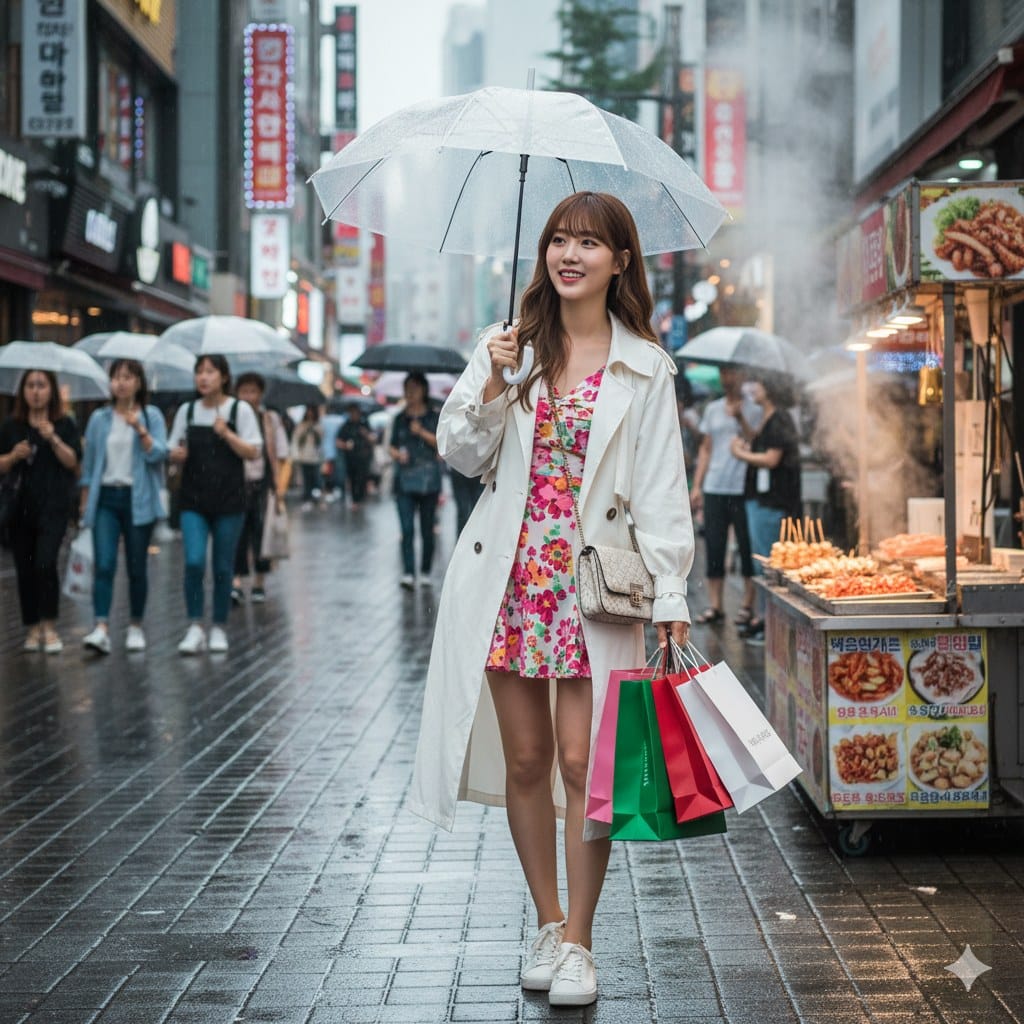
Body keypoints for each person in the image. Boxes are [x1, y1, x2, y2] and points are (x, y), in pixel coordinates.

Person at [408, 192, 694, 1008]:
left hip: (597, 589)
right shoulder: (509, 348)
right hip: (511, 580)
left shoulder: (645, 366)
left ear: (621, 261)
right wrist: (493, 382)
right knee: (529, 762)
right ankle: (545, 918)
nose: (570, 255)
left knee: (585, 766)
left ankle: (580, 942)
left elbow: (661, 493)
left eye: (589, 244)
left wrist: (671, 591)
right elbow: (462, 455)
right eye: (559, 241)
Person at [168, 354, 262, 654]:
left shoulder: (239, 409)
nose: (203, 377)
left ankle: (219, 626)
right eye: (199, 372)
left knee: (223, 566)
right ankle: (195, 625)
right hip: (193, 499)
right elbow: (173, 446)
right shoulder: (188, 411)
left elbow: (253, 451)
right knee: (194, 561)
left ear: (223, 377)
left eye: (210, 371)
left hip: (230, 501)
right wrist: (177, 455)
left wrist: (228, 434)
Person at [79, 359, 168, 654]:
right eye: (116, 377)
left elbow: (159, 455)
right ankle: (101, 626)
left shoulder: (151, 415)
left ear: (139, 383)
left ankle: (135, 626)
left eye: (128, 377)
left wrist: (140, 430)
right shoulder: (99, 419)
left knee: (136, 566)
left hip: (137, 498)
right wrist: (84, 503)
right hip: (105, 498)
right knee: (104, 563)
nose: (121, 382)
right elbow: (90, 465)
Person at [0, 369, 82, 653]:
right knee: (25, 568)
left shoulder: (64, 424)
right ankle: (32, 627)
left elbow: (74, 463)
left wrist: (53, 438)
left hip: (54, 507)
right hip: (19, 508)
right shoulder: (11, 426)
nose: (36, 391)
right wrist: (13, 456)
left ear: (52, 391)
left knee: (45, 563)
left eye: (41, 385)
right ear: (22, 392)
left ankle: (50, 625)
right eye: (30, 386)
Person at [730, 372, 802, 640]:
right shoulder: (768, 417)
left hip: (772, 502)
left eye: (756, 383)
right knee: (762, 559)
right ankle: (764, 617)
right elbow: (760, 440)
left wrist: (739, 454)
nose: (751, 388)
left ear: (769, 388)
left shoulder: (780, 418)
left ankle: (768, 620)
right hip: (760, 500)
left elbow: (771, 459)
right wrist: (740, 421)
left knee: (767, 562)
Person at [689, 365, 759, 627]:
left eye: (732, 373)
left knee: (746, 546)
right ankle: (715, 604)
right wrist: (697, 485)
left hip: (743, 487)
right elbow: (706, 448)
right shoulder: (713, 408)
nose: (727, 378)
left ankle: (747, 604)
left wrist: (741, 418)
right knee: (714, 546)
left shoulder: (754, 408)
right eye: (724, 373)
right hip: (715, 486)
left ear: (742, 376)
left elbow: (758, 440)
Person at [231, 372, 289, 605]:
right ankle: (236, 582)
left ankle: (258, 582)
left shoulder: (269, 419)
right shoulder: (231, 418)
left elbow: (282, 452)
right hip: (236, 483)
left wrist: (280, 485)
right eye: (243, 391)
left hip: (263, 484)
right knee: (237, 534)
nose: (248, 396)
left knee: (260, 535)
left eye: (252, 391)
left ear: (260, 394)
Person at [387, 372, 441, 589]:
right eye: (407, 388)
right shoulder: (400, 418)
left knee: (427, 529)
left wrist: (421, 432)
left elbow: (441, 444)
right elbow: (391, 445)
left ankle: (426, 571)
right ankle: (409, 572)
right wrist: (396, 455)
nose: (410, 393)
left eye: (414, 388)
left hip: (429, 481)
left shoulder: (433, 417)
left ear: (424, 391)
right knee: (407, 529)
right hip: (404, 481)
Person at [335, 402, 376, 509]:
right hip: (350, 458)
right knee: (353, 478)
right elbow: (338, 441)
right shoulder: (346, 426)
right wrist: (345, 445)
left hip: (364, 457)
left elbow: (373, 439)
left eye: (355, 413)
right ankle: (355, 499)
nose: (354, 415)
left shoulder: (364, 424)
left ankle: (360, 497)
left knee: (362, 477)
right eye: (351, 413)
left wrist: (365, 434)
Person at [291, 405, 324, 511]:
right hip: (304, 456)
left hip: (315, 456)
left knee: (316, 477)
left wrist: (314, 430)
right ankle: (307, 497)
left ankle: (315, 495)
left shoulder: (318, 425)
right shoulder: (301, 426)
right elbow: (297, 439)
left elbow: (320, 439)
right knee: (306, 478)